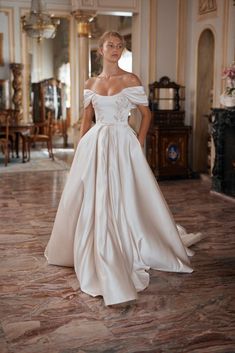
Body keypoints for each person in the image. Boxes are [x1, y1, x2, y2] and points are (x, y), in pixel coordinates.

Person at [45, 31, 202, 306]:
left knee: (123, 193)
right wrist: (80, 147)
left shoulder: (131, 79)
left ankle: (128, 242)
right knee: (93, 195)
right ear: (100, 49)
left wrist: (137, 142)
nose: (115, 49)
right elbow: (87, 119)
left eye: (120, 46)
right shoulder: (91, 83)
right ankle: (95, 246)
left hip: (122, 142)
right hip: (96, 142)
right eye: (110, 45)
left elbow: (146, 114)